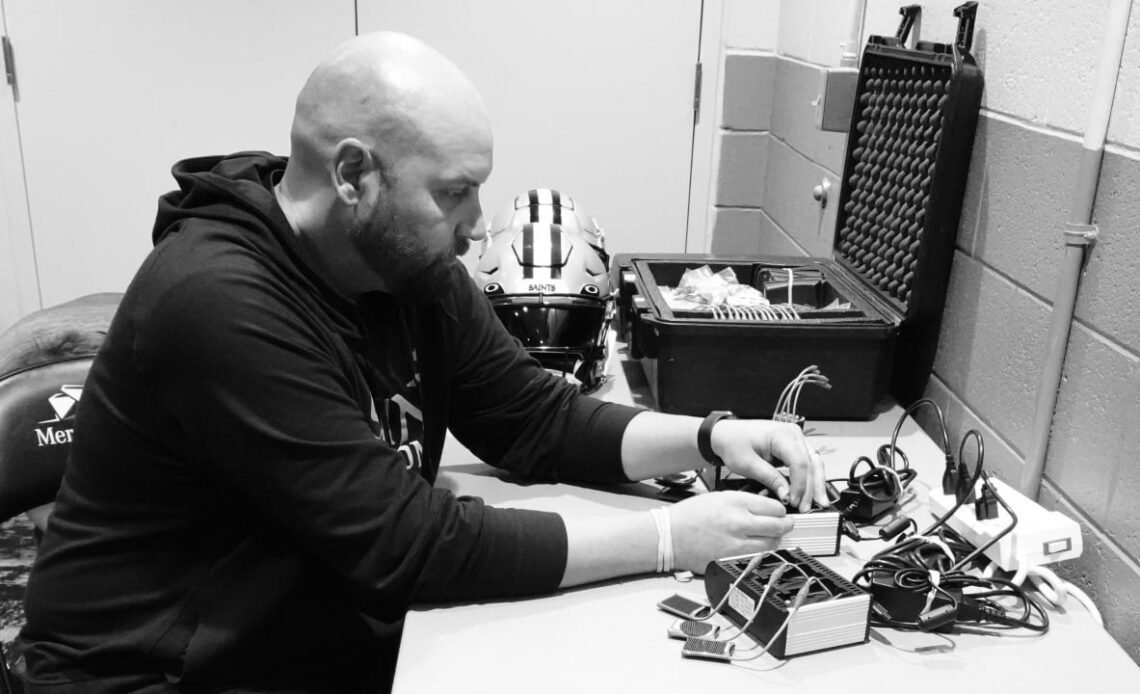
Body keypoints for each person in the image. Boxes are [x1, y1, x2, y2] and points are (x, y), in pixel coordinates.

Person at [15, 32, 828, 693]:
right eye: (453, 192)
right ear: (353, 174)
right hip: (152, 675)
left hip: (302, 637)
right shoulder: (217, 303)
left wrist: (712, 438)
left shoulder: (406, 270)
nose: (477, 224)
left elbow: (533, 418)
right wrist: (665, 539)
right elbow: (408, 545)